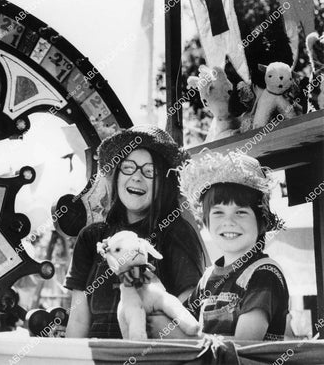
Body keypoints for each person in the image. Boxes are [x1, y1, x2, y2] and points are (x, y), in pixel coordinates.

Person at [64, 125, 206, 338]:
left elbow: (187, 306)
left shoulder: (176, 232)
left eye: (150, 172)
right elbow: (78, 319)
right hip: (97, 356)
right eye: (128, 168)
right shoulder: (91, 237)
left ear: (163, 184)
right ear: (117, 176)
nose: (137, 177)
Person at [177, 150, 289, 340]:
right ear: (206, 221)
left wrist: (182, 341)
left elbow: (243, 346)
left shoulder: (263, 274)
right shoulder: (207, 279)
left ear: (262, 221)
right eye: (218, 212)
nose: (228, 222)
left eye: (240, 212)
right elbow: (184, 325)